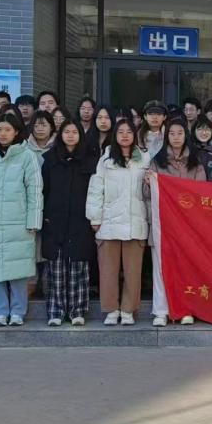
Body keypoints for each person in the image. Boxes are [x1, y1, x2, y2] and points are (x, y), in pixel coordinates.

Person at [0, 115, 44, 327]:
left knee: (18, 271)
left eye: (8, 129)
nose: (3, 134)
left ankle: (18, 311)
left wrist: (34, 221)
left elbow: (35, 191)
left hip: (18, 223)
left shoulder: (27, 156)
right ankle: (0, 312)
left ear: (16, 132)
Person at [145, 119, 207, 326]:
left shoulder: (195, 163)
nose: (176, 137)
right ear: (166, 137)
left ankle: (186, 309)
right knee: (161, 269)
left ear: (186, 135)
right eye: (172, 133)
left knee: (186, 269)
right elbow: (147, 194)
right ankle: (161, 311)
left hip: (188, 226)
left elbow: (201, 193)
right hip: (162, 225)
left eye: (180, 133)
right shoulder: (157, 162)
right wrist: (148, 183)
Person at [87, 118, 148, 326]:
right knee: (108, 271)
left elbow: (150, 191)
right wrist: (94, 217)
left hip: (135, 221)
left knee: (133, 272)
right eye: (120, 132)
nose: (125, 135)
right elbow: (96, 188)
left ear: (135, 135)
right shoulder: (106, 159)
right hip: (108, 222)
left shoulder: (144, 158)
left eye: (129, 132)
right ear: (115, 135)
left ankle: (128, 310)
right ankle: (111, 309)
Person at [41, 120, 96, 327]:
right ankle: (55, 311)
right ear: (60, 134)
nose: (71, 135)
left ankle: (77, 311)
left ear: (81, 135)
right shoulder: (50, 159)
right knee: (56, 267)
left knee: (78, 267)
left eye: (75, 132)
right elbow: (43, 190)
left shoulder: (90, 160)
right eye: (66, 132)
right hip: (54, 219)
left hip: (81, 220)